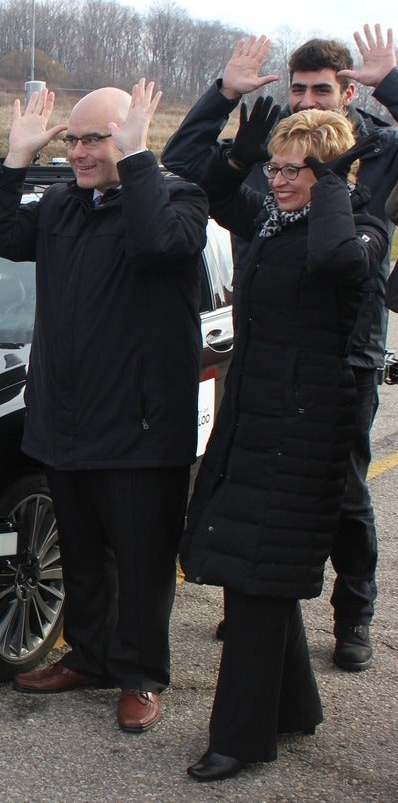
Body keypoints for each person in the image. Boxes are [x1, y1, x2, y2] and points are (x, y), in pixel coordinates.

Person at [0, 80, 208, 733]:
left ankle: (141, 676)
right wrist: (15, 160)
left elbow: (158, 244)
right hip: (65, 420)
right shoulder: (61, 207)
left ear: (129, 137)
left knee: (143, 562)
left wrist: (138, 165)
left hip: (140, 427)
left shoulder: (178, 199)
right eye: (71, 139)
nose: (77, 151)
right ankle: (92, 656)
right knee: (82, 557)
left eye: (93, 138)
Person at [162, 25, 398, 671]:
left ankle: (353, 612)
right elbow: (184, 172)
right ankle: (255, 602)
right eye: (299, 88)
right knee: (251, 479)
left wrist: (393, 86)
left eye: (323, 88)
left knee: (342, 489)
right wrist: (221, 96)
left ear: (349, 91)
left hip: (343, 345)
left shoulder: (375, 148)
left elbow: (339, 252)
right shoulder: (274, 145)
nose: (308, 99)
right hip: (264, 344)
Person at [179, 105, 386, 782]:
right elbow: (207, 191)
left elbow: (332, 259)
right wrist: (239, 155)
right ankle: (294, 704)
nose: (280, 180)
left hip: (306, 423)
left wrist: (332, 183)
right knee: (249, 562)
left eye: (296, 168)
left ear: (330, 169)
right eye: (278, 166)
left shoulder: (360, 227)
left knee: (259, 574)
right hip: (253, 413)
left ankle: (239, 734)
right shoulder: (268, 221)